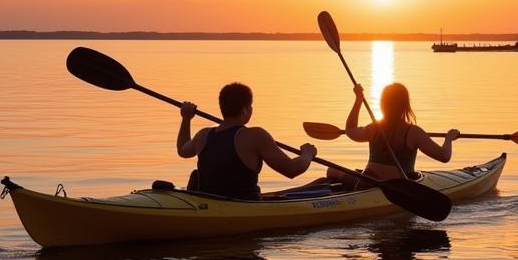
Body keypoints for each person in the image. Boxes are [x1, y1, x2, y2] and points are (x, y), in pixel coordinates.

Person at [177, 82, 316, 200]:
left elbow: (182, 150)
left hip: (208, 203)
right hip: (244, 207)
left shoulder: (203, 135)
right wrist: (307, 154)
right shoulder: (254, 135)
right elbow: (291, 170)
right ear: (245, 110)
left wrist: (186, 119)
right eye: (250, 106)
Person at [328, 82, 460, 186]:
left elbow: (350, 131)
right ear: (405, 105)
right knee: (333, 170)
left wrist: (358, 100)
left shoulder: (374, 128)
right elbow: (444, 156)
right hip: (398, 187)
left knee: (332, 170)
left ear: (382, 104)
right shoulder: (413, 132)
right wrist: (449, 138)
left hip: (366, 183)